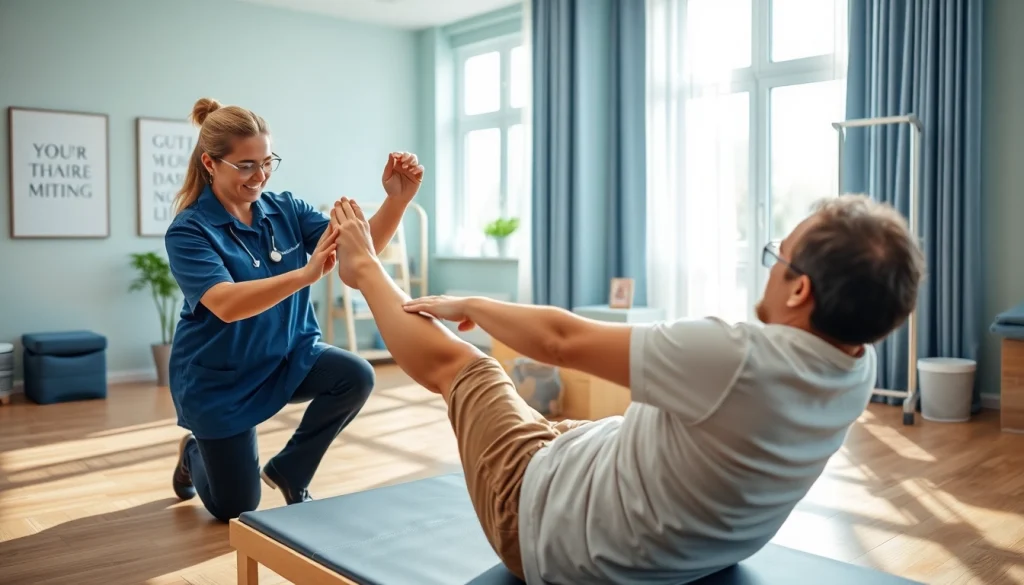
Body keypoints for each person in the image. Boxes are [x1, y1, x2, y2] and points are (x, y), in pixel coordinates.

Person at [327, 193, 925, 584]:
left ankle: (364, 270)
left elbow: (560, 339)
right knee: (583, 421)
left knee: (471, 370)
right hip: (696, 542)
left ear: (800, 291)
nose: (769, 265)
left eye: (779, 254)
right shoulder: (856, 365)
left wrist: (473, 305)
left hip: (541, 528)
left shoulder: (737, 358)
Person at [164, 97, 424, 522]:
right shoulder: (190, 231)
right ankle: (195, 452)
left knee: (355, 375)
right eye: (246, 165)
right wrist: (305, 275)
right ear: (211, 164)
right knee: (236, 508)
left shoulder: (285, 208)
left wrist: (396, 201)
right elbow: (226, 304)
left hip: (288, 355)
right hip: (220, 380)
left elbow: (359, 256)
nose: (260, 175)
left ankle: (290, 469)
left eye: (267, 161)